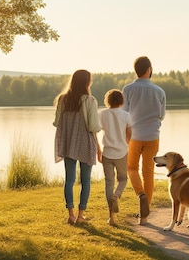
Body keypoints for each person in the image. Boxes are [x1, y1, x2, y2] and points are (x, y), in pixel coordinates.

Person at [53, 69, 102, 225]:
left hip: (68, 143)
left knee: (69, 179)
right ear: (86, 82)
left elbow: (57, 123)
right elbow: (94, 126)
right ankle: (81, 215)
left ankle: (71, 215)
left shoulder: (62, 99)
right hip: (86, 142)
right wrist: (99, 147)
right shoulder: (89, 100)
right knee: (86, 180)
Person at [122, 56, 166, 225]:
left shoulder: (128, 89)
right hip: (153, 136)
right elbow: (161, 115)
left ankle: (140, 194)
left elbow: (125, 115)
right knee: (148, 173)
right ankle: (144, 216)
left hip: (134, 136)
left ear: (136, 71)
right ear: (149, 69)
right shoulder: (159, 91)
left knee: (131, 167)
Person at [99, 89, 132, 226]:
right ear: (121, 101)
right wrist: (126, 145)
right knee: (123, 179)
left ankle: (111, 218)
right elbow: (129, 134)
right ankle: (116, 195)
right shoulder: (126, 115)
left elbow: (96, 129)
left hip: (107, 153)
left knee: (109, 183)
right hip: (121, 153)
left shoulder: (102, 114)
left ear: (108, 101)